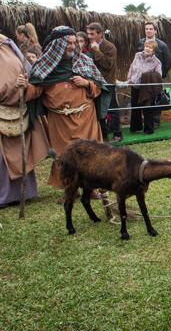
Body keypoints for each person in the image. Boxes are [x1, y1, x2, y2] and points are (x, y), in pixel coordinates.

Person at [18, 26, 110, 189]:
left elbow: (99, 88)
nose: (72, 46)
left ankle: (93, 187)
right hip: (59, 121)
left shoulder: (84, 62)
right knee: (64, 155)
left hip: (86, 118)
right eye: (68, 43)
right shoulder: (44, 66)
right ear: (57, 45)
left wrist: (87, 83)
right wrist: (25, 86)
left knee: (92, 153)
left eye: (74, 43)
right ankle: (69, 188)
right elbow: (36, 90)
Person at [0, 34, 49, 208]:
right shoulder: (10, 48)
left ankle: (14, 194)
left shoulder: (7, 51)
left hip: (13, 110)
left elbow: (23, 80)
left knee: (13, 155)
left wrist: (24, 85)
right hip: (9, 110)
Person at [86, 22, 121, 143]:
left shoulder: (109, 47)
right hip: (94, 83)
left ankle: (118, 134)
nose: (89, 36)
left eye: (92, 34)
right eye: (88, 33)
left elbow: (108, 65)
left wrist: (96, 51)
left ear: (100, 34)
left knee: (111, 109)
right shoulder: (90, 45)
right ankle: (103, 135)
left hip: (107, 83)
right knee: (97, 110)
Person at [136, 21, 171, 129]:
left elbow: (168, 62)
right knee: (145, 98)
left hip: (156, 78)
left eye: (151, 29)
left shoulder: (162, 45)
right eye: (146, 29)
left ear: (155, 30)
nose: (148, 30)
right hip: (143, 79)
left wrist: (160, 75)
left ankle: (156, 121)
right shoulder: (140, 43)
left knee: (156, 97)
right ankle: (147, 121)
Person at [128, 40, 162, 135]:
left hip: (146, 89)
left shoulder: (157, 62)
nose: (147, 48)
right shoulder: (137, 55)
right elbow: (131, 67)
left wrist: (148, 76)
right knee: (134, 107)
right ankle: (136, 127)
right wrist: (129, 79)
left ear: (154, 50)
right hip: (135, 85)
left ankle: (148, 130)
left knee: (147, 108)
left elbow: (158, 76)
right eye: (146, 46)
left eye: (150, 47)